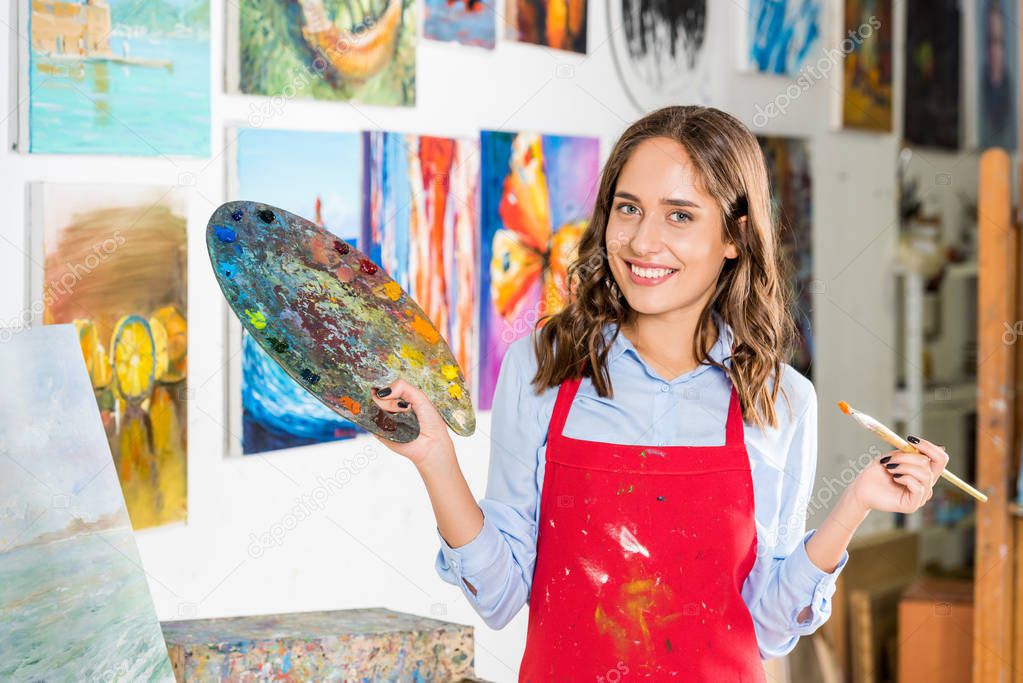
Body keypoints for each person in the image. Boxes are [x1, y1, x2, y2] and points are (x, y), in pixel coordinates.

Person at [369, 105, 950, 681]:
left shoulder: (781, 398)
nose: (643, 241)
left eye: (679, 216)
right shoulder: (543, 367)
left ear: (734, 236)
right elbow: (497, 598)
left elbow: (768, 628)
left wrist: (857, 503)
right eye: (629, 209)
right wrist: (436, 460)